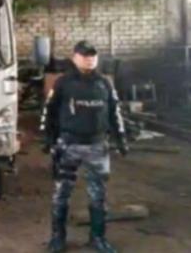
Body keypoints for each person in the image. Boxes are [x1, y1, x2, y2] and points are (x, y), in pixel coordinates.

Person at [41, 40, 129, 253]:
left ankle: (97, 238)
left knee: (98, 195)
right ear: (74, 57)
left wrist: (121, 138)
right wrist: (48, 139)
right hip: (68, 145)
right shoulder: (62, 83)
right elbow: (49, 111)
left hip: (97, 146)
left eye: (92, 55)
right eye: (84, 55)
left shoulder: (105, 84)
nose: (89, 59)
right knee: (61, 193)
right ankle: (57, 238)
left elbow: (114, 111)